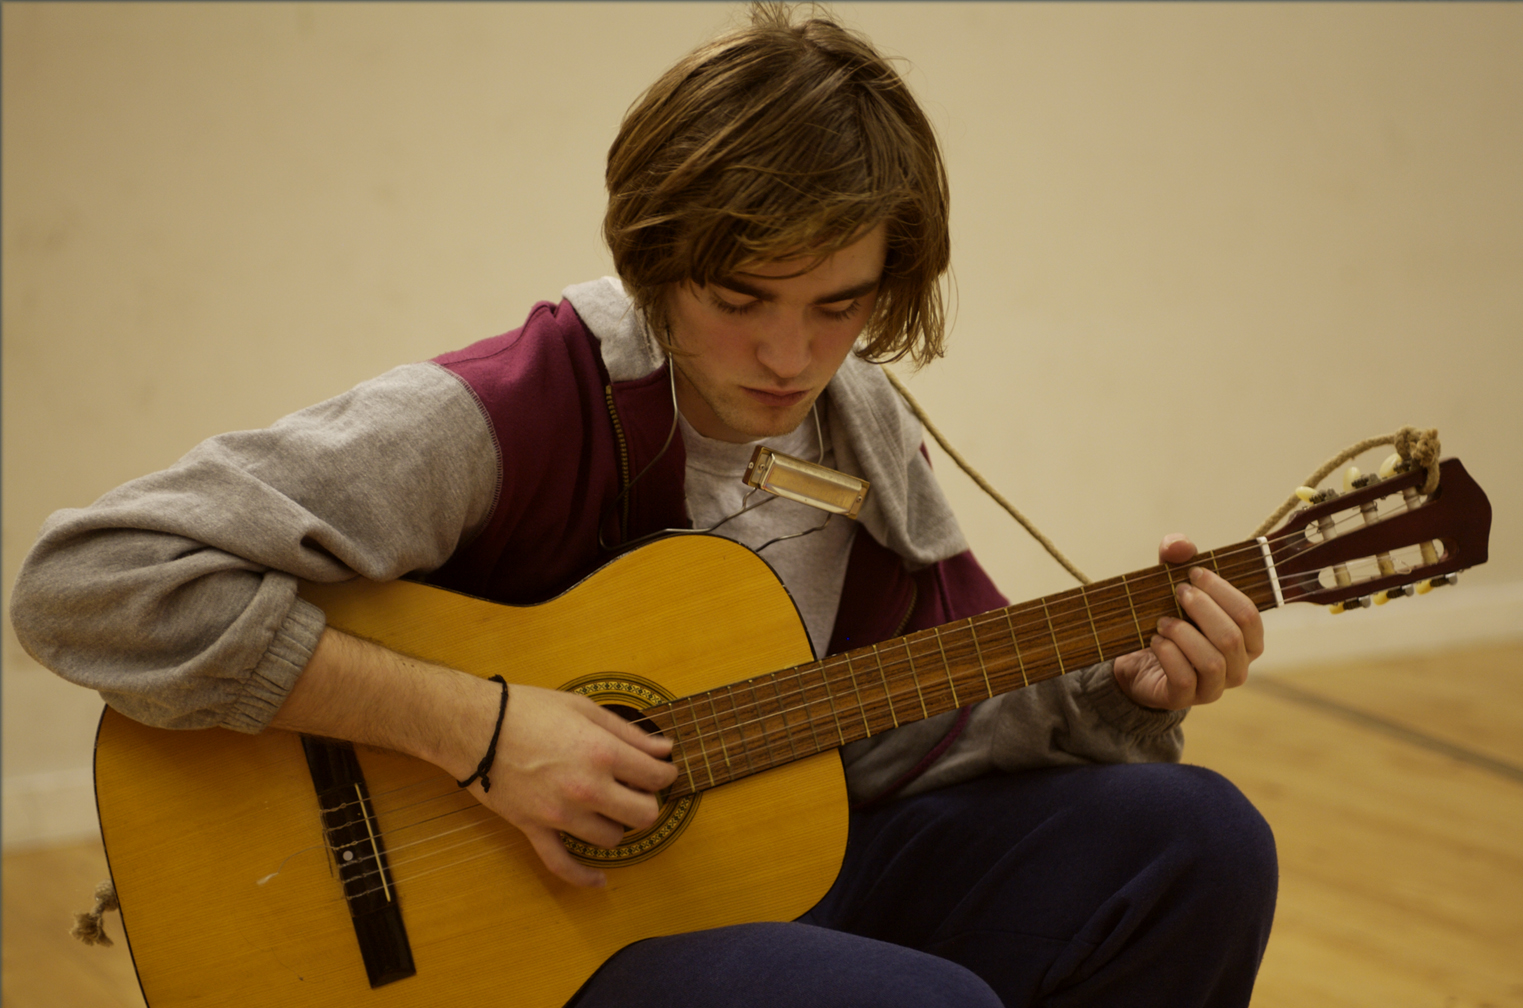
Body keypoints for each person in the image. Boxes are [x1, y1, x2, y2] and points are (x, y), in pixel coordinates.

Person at [11, 5, 1276, 1006]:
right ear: (656, 258)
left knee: (1196, 839)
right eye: (739, 298)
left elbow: (914, 730)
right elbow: (86, 584)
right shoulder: (502, 413)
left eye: (836, 305)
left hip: (760, 871)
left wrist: (1122, 692)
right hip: (537, 938)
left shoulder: (862, 429)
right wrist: (479, 730)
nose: (789, 354)